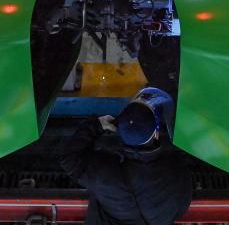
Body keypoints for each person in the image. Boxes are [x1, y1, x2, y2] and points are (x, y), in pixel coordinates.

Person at [60, 87, 193, 225]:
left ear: (118, 130)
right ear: (156, 133)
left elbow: (69, 160)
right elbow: (181, 207)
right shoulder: (175, 169)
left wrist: (95, 126)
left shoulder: (105, 172)